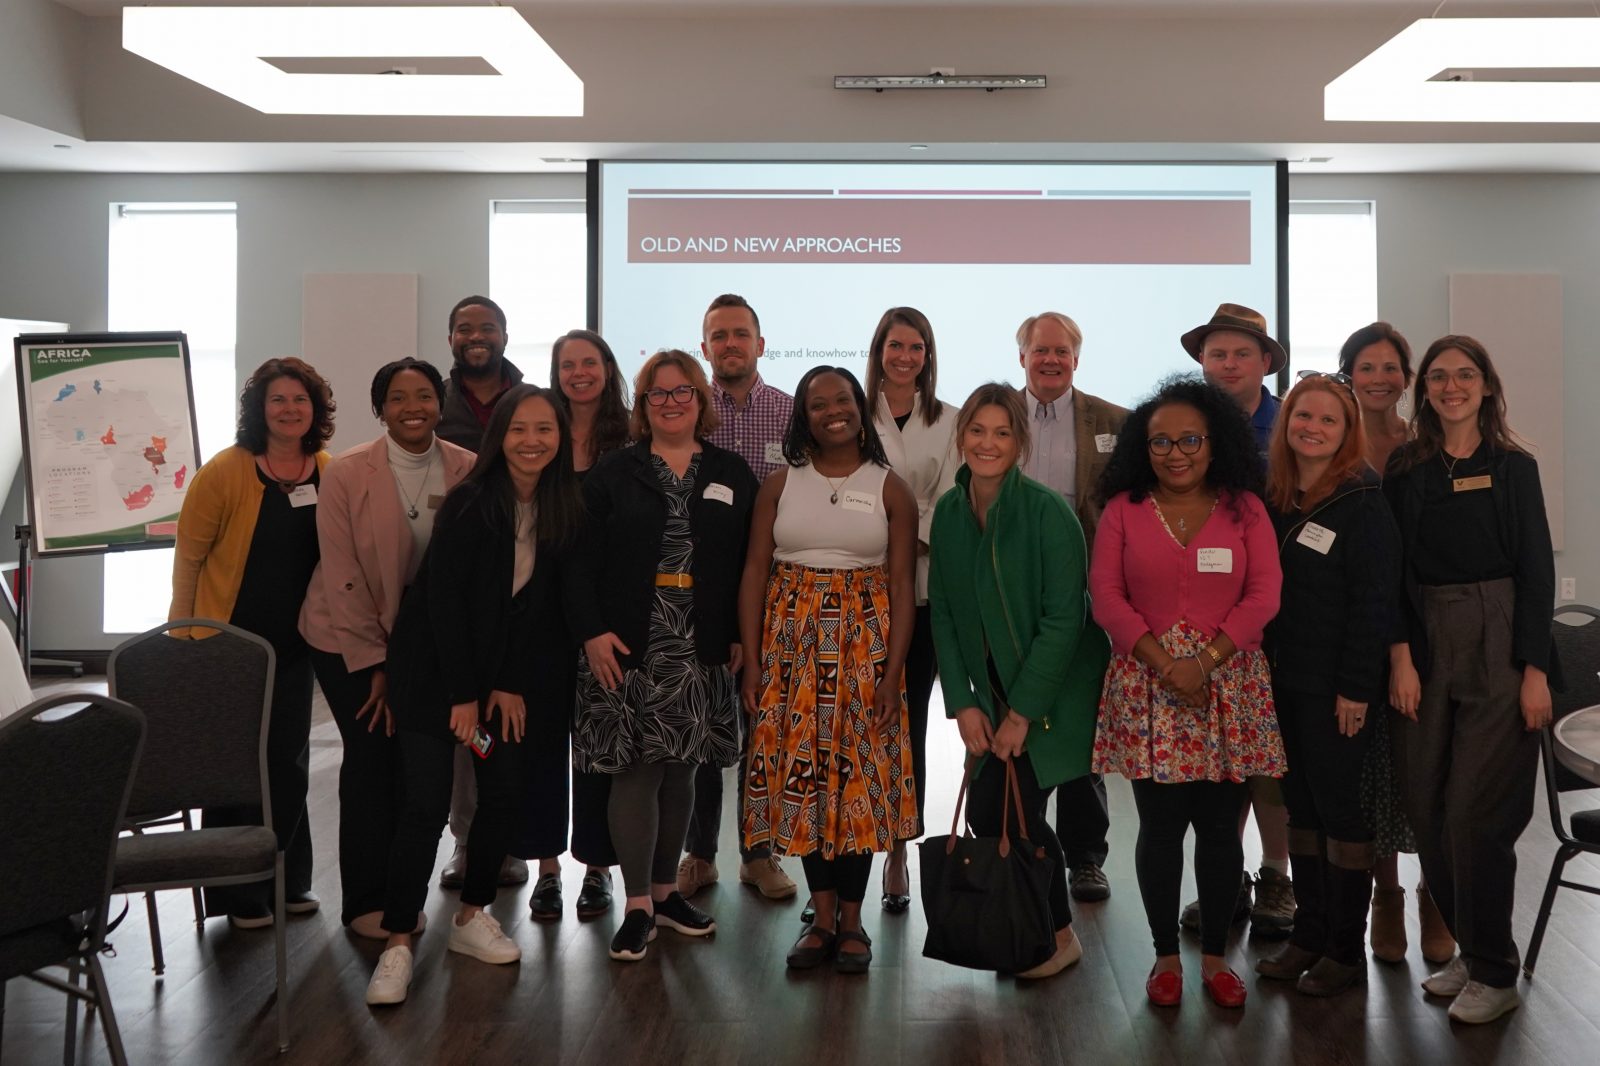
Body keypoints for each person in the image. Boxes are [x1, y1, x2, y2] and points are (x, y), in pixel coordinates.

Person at [365, 384, 585, 1006]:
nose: (532, 441)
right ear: (499, 438)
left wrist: (504, 684)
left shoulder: (562, 507)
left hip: (493, 689)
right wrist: (464, 695)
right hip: (434, 682)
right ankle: (398, 941)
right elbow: (446, 605)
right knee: (425, 804)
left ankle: (470, 916)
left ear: (561, 437)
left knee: (504, 790)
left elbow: (537, 613)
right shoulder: (470, 502)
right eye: (519, 429)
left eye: (545, 429)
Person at [1090, 376, 1285, 1009]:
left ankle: (1217, 959)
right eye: (1161, 442)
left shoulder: (1245, 508)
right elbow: (1107, 597)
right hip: (1147, 686)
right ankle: (1165, 957)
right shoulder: (1123, 510)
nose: (1175, 453)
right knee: (1160, 828)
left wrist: (1204, 662)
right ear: (1142, 448)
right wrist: (1167, 665)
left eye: (1190, 440)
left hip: (1229, 686)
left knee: (1222, 830)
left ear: (1215, 442)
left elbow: (1264, 595)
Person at [1385, 335, 1557, 1024]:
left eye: (1465, 375)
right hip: (1424, 643)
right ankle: (1473, 946)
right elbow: (1392, 570)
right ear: (1423, 389)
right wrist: (1400, 657)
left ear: (1487, 385)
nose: (1451, 386)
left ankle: (1495, 972)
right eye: (1438, 376)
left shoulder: (1514, 466)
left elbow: (1537, 569)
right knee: (1426, 809)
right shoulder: (1406, 468)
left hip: (1500, 640)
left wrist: (1536, 671)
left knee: (1475, 815)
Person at [570, 350, 757, 962]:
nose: (671, 403)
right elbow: (577, 563)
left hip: (700, 642)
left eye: (682, 392)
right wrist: (592, 632)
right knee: (636, 771)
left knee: (683, 770)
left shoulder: (731, 471)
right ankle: (637, 907)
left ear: (701, 400)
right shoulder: (613, 472)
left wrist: (739, 632)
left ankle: (665, 894)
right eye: (658, 393)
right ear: (643, 404)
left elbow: (747, 566)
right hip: (627, 643)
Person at [928, 383, 1111, 979]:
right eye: (978, 431)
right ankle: (1036, 929)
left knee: (1018, 814)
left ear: (1020, 442)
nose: (988, 443)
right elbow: (945, 614)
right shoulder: (949, 512)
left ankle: (1058, 937)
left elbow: (1064, 621)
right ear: (961, 437)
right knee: (991, 810)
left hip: (1053, 691)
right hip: (991, 691)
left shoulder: (1047, 512)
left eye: (1002, 433)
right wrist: (962, 703)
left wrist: (1022, 712)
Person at [740, 365, 917, 974]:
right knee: (805, 777)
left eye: (843, 400)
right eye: (819, 404)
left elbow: (901, 584)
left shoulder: (891, 488)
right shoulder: (778, 484)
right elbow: (755, 572)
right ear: (803, 417)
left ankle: (852, 919)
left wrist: (894, 674)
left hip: (865, 650)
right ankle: (820, 918)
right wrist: (753, 662)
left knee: (856, 780)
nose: (833, 411)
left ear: (860, 408)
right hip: (790, 649)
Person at [299, 358, 474, 939]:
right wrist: (376, 665)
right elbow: (342, 575)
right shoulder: (348, 472)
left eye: (423, 395)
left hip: (425, 642)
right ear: (380, 409)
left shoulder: (467, 468)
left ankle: (402, 896)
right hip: (346, 635)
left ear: (440, 404)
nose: (412, 407)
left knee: (416, 767)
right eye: (397, 398)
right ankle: (364, 901)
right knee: (372, 759)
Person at [169, 356, 335, 928]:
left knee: (288, 761)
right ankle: (239, 893)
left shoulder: (327, 470)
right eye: (278, 399)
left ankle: (288, 880)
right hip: (228, 645)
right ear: (259, 410)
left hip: (297, 645)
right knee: (237, 765)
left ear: (315, 408)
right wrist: (184, 637)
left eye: (300, 399)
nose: (290, 409)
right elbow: (189, 559)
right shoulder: (225, 471)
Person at [1254, 373, 1401, 997]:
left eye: (1327, 420)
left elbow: (1376, 602)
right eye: (1302, 416)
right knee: (1301, 810)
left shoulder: (1363, 500)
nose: (1311, 427)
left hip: (1337, 690)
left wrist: (1356, 689)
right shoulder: (1275, 497)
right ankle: (1308, 937)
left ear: (1347, 433)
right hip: (1280, 683)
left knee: (1340, 813)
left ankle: (1344, 951)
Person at [1337, 323, 1454, 967]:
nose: (1379, 378)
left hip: (1424, 623)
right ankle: (1387, 897)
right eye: (1366, 366)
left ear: (1407, 379)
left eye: (1390, 368)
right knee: (1371, 772)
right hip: (1355, 625)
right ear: (1349, 374)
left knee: (1431, 766)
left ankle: (1436, 895)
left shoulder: (1425, 445)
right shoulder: (1334, 444)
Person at [680, 294, 799, 903]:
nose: (730, 344)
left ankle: (759, 853)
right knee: (701, 727)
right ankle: (699, 855)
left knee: (764, 729)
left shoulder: (792, 413)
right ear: (704, 348)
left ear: (760, 343)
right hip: (702, 594)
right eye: (719, 336)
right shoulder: (687, 411)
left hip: (777, 595)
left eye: (740, 334)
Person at [1181, 302, 1294, 936]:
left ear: (1266, 362)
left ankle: (1276, 875)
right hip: (1201, 619)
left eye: (1241, 353)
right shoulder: (1184, 424)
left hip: (1279, 612)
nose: (1228, 364)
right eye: (1217, 353)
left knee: (1268, 756)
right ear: (1202, 360)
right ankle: (1224, 880)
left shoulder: (1290, 425)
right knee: (1216, 759)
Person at [518, 330, 632, 923]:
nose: (579, 373)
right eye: (568, 364)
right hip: (540, 613)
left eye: (589, 362)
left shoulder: (631, 436)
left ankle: (597, 868)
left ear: (608, 369)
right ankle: (547, 869)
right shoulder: (541, 433)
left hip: (602, 619)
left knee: (597, 749)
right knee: (541, 745)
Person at [1015, 311, 1129, 904]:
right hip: (1014, 593)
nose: (1051, 360)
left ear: (1077, 359)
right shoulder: (995, 417)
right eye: (1041, 350)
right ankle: (1026, 846)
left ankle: (1085, 856)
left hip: (1087, 592)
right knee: (1020, 713)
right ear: (1023, 357)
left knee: (1084, 720)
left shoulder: (1114, 422)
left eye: (1062, 351)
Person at [433, 294, 529, 889]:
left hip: (523, 581)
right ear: (450, 338)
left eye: (487, 327)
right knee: (467, 733)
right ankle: (468, 841)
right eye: (464, 328)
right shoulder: (433, 405)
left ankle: (511, 839)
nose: (476, 336)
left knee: (514, 727)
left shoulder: (530, 399)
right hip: (461, 582)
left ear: (504, 336)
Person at [865, 306, 959, 912]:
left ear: (928, 356)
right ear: (879, 351)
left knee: (908, 724)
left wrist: (901, 533)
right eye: (895, 346)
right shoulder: (852, 413)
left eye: (916, 347)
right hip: (856, 593)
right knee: (851, 726)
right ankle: (846, 849)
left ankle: (900, 848)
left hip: (921, 590)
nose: (905, 357)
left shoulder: (950, 420)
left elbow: (950, 498)